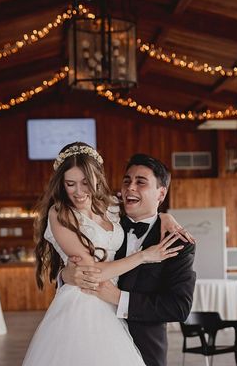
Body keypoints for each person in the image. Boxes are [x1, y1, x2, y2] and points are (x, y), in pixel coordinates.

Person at [22, 145, 188, 366]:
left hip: (144, 343)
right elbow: (87, 272)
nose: (79, 191)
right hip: (84, 312)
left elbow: (178, 307)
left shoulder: (110, 209)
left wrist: (164, 216)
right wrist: (144, 256)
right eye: (70, 184)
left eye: (141, 182)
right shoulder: (61, 213)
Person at [62, 153, 196, 366]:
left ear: (161, 193)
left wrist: (118, 298)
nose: (130, 187)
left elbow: (178, 307)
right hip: (90, 341)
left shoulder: (176, 242)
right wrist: (64, 275)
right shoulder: (106, 228)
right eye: (127, 181)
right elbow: (78, 264)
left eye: (140, 182)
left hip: (144, 350)